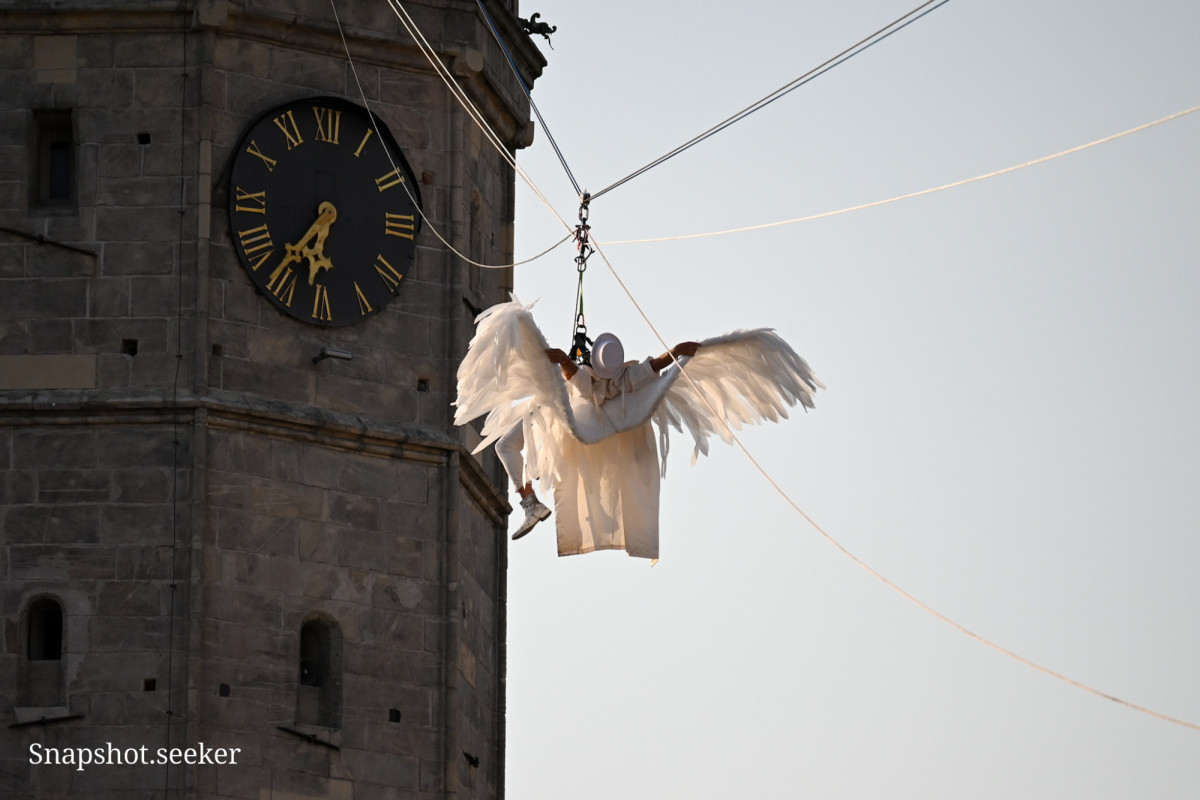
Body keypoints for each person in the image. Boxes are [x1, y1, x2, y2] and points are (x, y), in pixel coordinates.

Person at [496, 332, 700, 540]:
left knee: (505, 446)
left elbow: (573, 375)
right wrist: (677, 351)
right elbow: (655, 365)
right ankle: (543, 499)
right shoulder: (626, 379)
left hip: (555, 414)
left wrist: (562, 359)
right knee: (533, 460)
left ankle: (531, 504)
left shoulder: (587, 381)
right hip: (576, 427)